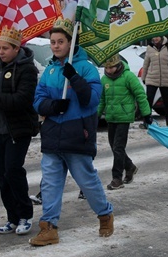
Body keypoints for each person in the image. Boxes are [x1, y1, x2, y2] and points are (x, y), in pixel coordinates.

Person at [30, 18, 113, 246]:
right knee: (50, 184)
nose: (55, 46)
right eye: (53, 42)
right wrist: (53, 106)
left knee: (87, 181)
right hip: (52, 135)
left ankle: (105, 215)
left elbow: (92, 100)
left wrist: (74, 77)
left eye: (60, 42)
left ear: (71, 42)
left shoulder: (85, 67)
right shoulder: (49, 69)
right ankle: (49, 227)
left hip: (77, 134)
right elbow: (38, 101)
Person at [0, 26, 39, 235]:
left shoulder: (27, 69)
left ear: (16, 48)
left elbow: (20, 100)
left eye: (4, 48)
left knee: (13, 171)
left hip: (17, 130)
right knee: (2, 175)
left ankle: (25, 215)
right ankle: (11, 217)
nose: (0, 52)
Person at [97, 53, 152, 190]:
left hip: (124, 117)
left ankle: (117, 178)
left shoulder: (128, 76)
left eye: (111, 68)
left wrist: (146, 114)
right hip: (111, 117)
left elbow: (140, 94)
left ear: (118, 65)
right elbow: (102, 99)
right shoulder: (104, 79)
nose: (109, 70)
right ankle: (130, 167)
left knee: (118, 147)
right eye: (107, 68)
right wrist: (96, 116)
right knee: (114, 146)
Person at [142, 35, 168, 126]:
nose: (155, 39)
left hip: (165, 78)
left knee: (166, 102)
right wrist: (143, 77)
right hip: (152, 78)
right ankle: (146, 121)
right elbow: (146, 64)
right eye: (154, 37)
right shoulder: (150, 48)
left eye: (157, 37)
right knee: (148, 100)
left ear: (161, 37)